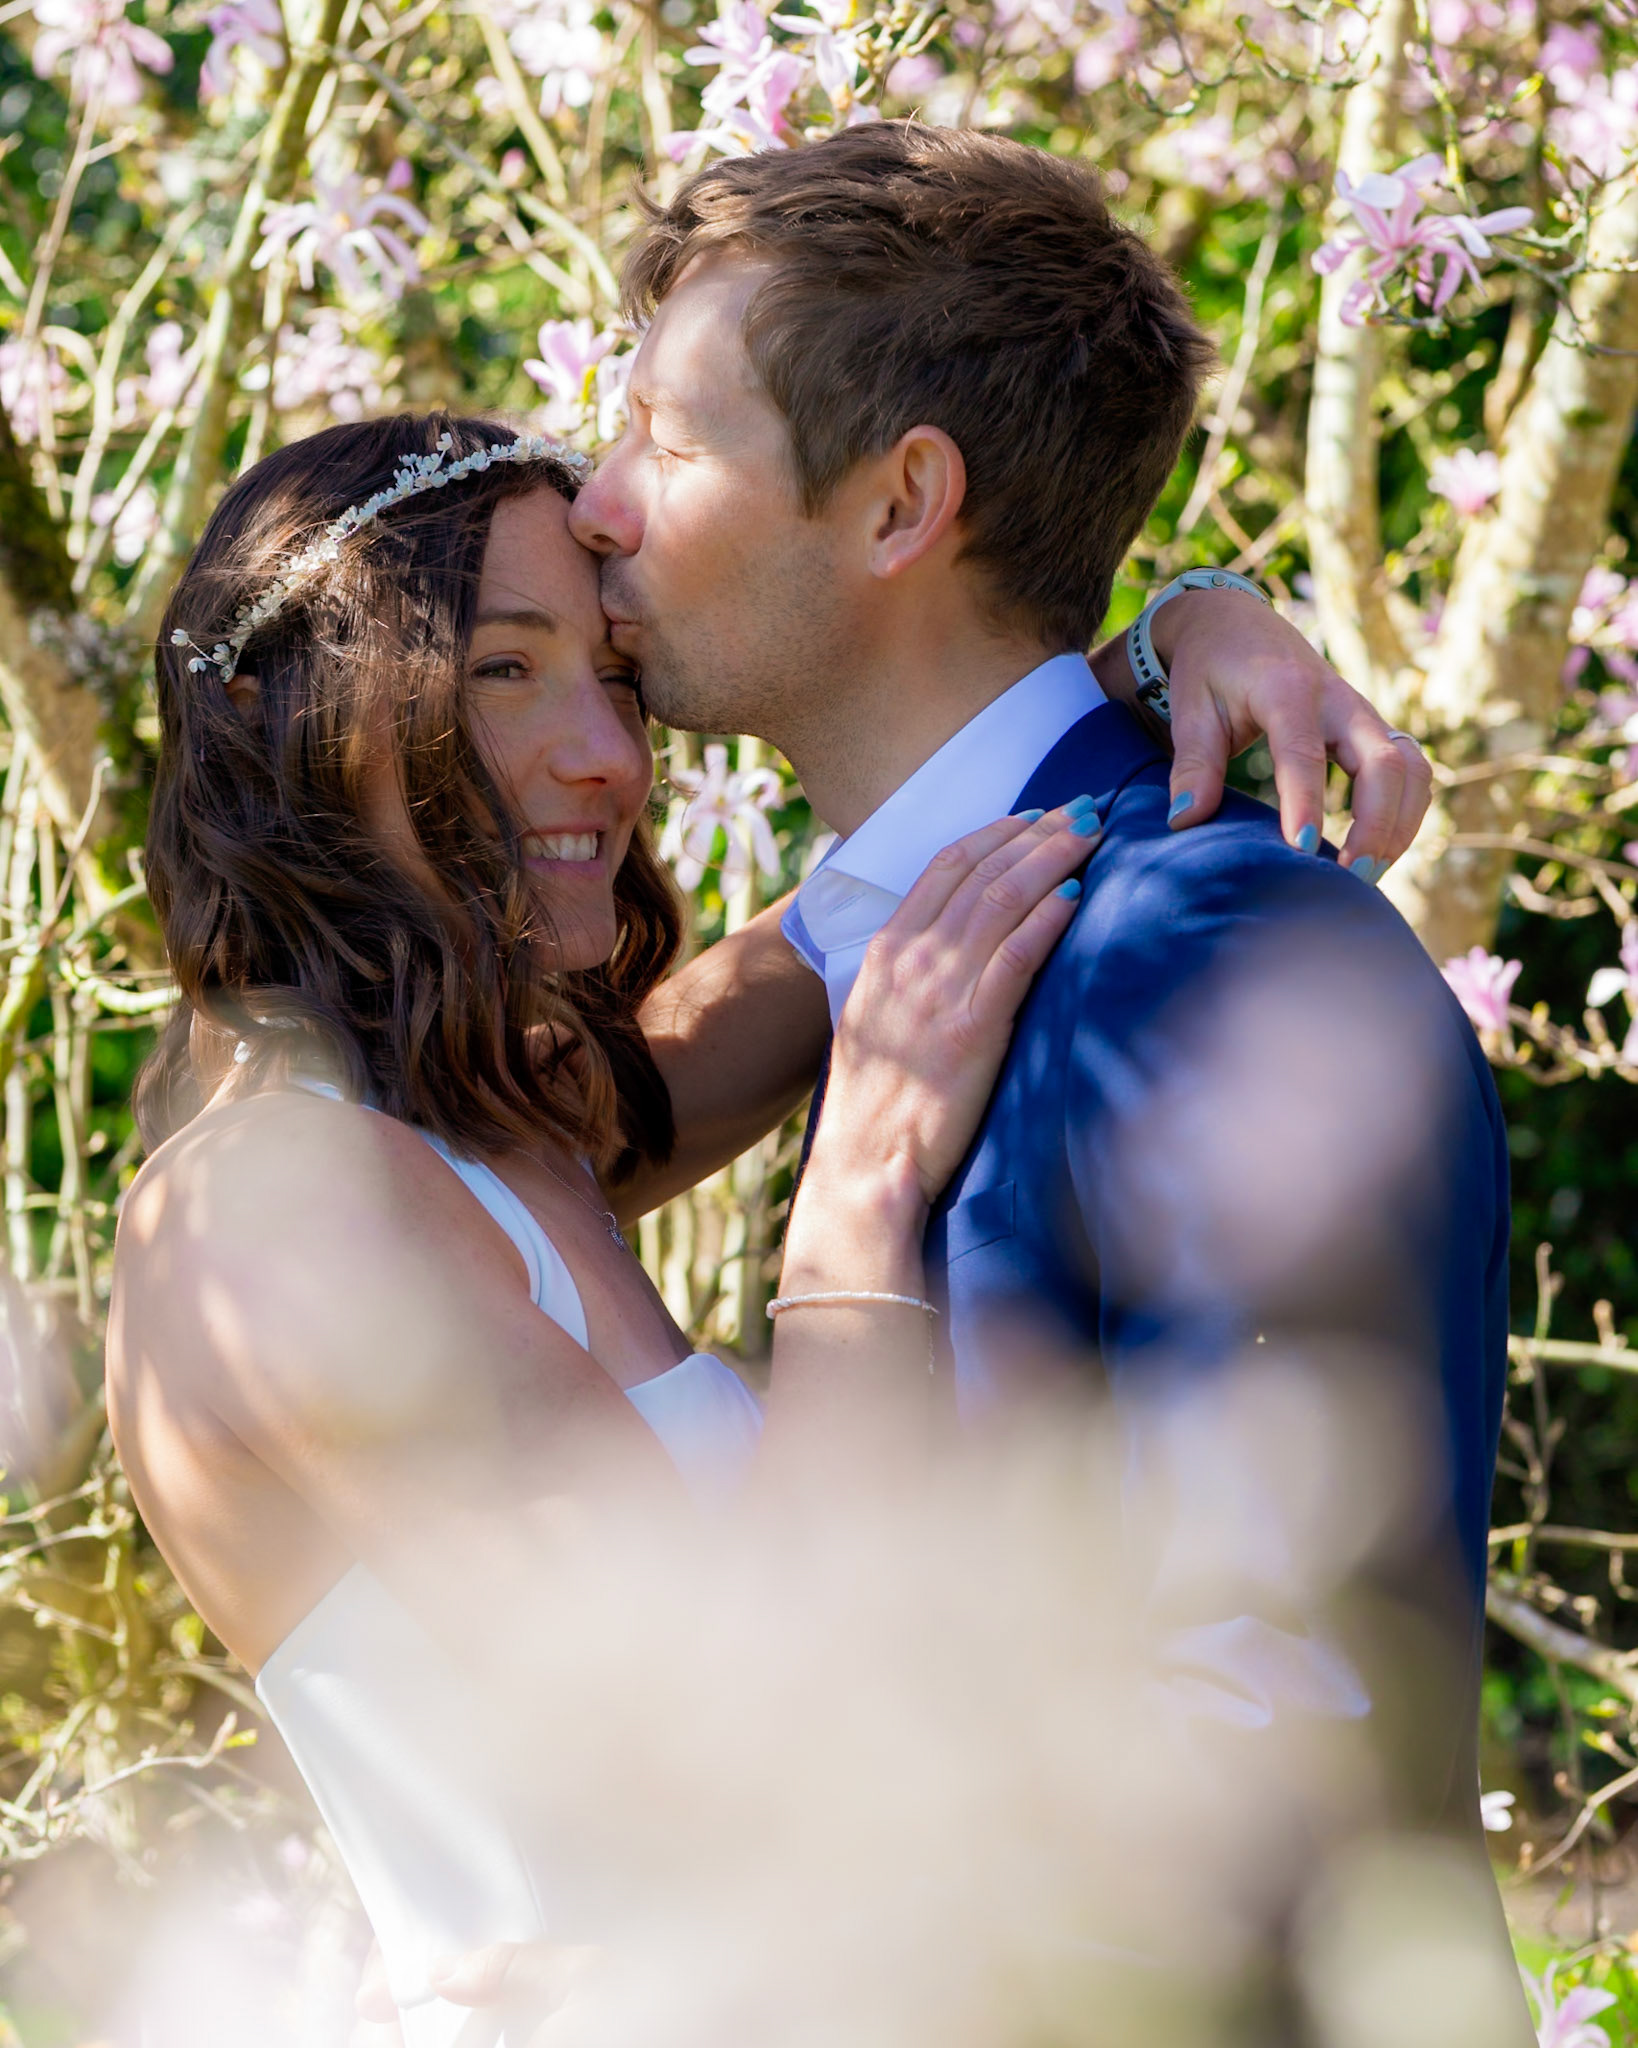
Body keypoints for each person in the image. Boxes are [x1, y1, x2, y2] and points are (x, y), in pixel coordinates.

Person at [108, 408, 1385, 2047]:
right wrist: (850, 1215)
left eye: (614, 680)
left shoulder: (512, 1132)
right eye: (505, 671)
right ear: (284, 721)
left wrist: (1174, 634)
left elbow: (912, 880)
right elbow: (763, 1729)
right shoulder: (263, 1226)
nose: (609, 760)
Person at [555, 117, 1525, 2032]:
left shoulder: (1215, 950)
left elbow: (1289, 1697)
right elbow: (533, 1142)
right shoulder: (896, 928)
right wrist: (1186, 618)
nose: (599, 501)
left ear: (906, 501)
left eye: (667, 441)